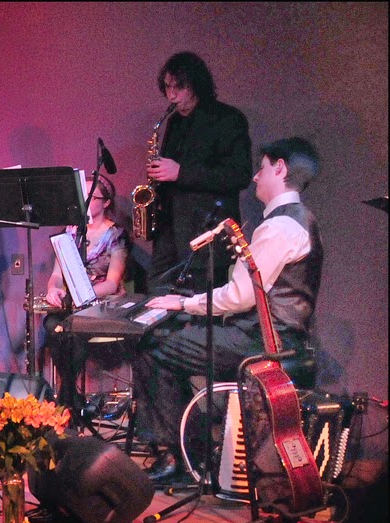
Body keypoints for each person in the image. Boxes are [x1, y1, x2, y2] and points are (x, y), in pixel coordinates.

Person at [134, 137, 322, 483]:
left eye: (262, 168)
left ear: (280, 169)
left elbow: (239, 297)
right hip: (275, 335)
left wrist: (183, 303)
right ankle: (196, 447)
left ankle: (177, 455)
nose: (255, 177)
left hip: (264, 341)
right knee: (175, 337)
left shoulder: (280, 226)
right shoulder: (302, 219)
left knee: (153, 347)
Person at [147, 51, 253, 293]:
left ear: (196, 85)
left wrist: (180, 172)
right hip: (171, 228)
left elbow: (239, 175)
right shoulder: (174, 122)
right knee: (156, 291)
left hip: (206, 231)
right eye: (167, 87)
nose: (171, 95)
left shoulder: (228, 119)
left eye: (178, 87)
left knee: (199, 300)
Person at [41, 174, 129, 412]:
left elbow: (112, 283)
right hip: (72, 304)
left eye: (92, 197)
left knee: (75, 330)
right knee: (52, 325)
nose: (85, 202)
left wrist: (82, 296)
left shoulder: (116, 234)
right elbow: (57, 274)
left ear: (106, 202)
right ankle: (71, 395)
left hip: (100, 303)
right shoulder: (70, 231)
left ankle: (67, 397)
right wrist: (53, 289)